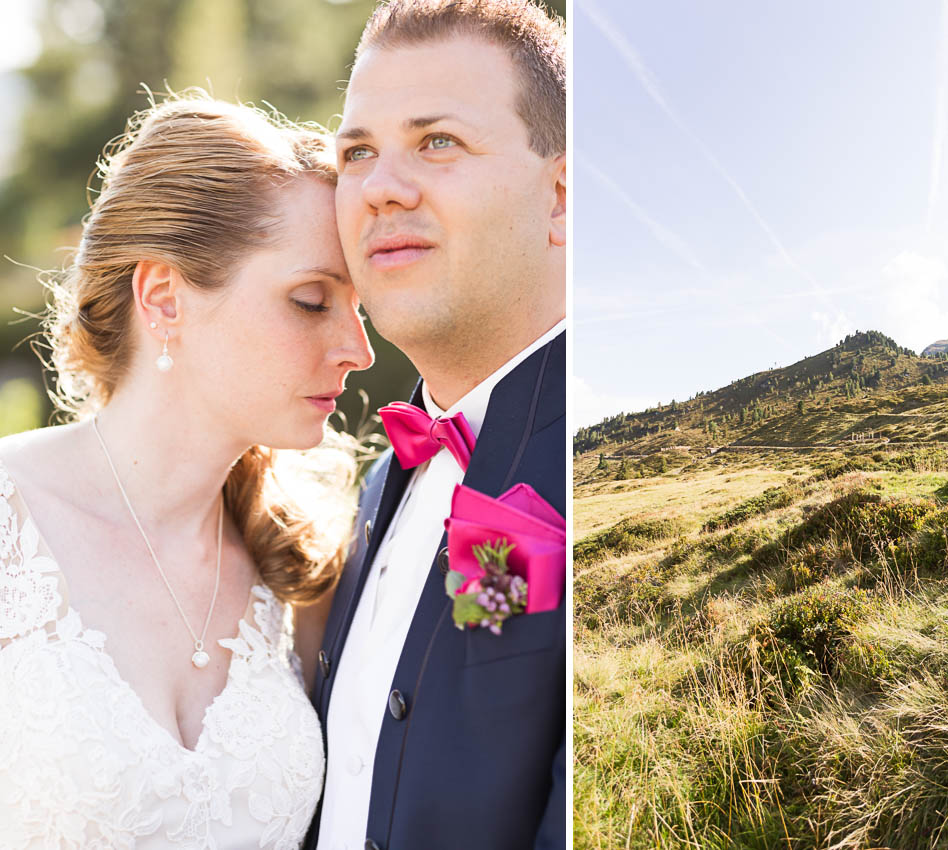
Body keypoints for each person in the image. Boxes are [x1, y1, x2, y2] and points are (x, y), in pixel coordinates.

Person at [0, 94, 374, 847]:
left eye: (358, 306)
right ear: (164, 298)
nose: (357, 350)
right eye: (310, 301)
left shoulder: (300, 566)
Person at [307, 1, 567, 849]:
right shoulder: (380, 483)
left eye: (438, 141)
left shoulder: (597, 463)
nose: (381, 186)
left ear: (562, 197)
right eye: (356, 153)